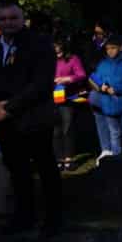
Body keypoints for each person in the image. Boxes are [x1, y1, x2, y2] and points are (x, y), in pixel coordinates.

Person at [0, 0, 62, 237]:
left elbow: (40, 83)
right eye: (3, 19)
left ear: (23, 19)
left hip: (34, 117)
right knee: (17, 170)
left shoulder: (40, 44)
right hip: (3, 120)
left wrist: (9, 107)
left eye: (13, 18)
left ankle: (53, 220)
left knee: (45, 169)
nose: (8, 23)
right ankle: (23, 216)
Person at [88, 34, 122, 165]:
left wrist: (117, 89)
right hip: (107, 104)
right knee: (114, 133)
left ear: (121, 48)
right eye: (108, 48)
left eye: (113, 48)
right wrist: (100, 86)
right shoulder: (103, 63)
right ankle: (117, 158)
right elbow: (95, 78)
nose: (110, 51)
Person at [52, 36, 88, 172]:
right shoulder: (48, 60)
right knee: (55, 130)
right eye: (55, 51)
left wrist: (67, 79)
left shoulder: (73, 59)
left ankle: (69, 159)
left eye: (59, 51)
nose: (57, 53)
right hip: (52, 98)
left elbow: (81, 74)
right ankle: (58, 159)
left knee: (67, 127)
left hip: (68, 98)